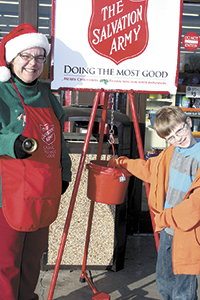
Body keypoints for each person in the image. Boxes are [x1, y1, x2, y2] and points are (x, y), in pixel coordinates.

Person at [0, 23, 72, 300]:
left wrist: (64, 172)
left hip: (43, 190)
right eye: (26, 56)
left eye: (39, 57)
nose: (33, 63)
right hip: (8, 194)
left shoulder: (46, 95)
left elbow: (59, 139)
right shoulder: (2, 91)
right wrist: (11, 143)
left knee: (31, 261)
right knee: (5, 264)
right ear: (12, 59)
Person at [109, 106, 200, 300]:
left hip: (189, 234)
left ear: (189, 123)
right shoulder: (170, 153)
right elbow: (149, 169)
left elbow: (195, 206)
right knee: (165, 281)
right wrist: (122, 163)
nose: (178, 138)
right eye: (171, 137)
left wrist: (164, 217)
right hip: (167, 230)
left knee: (184, 289)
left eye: (180, 130)